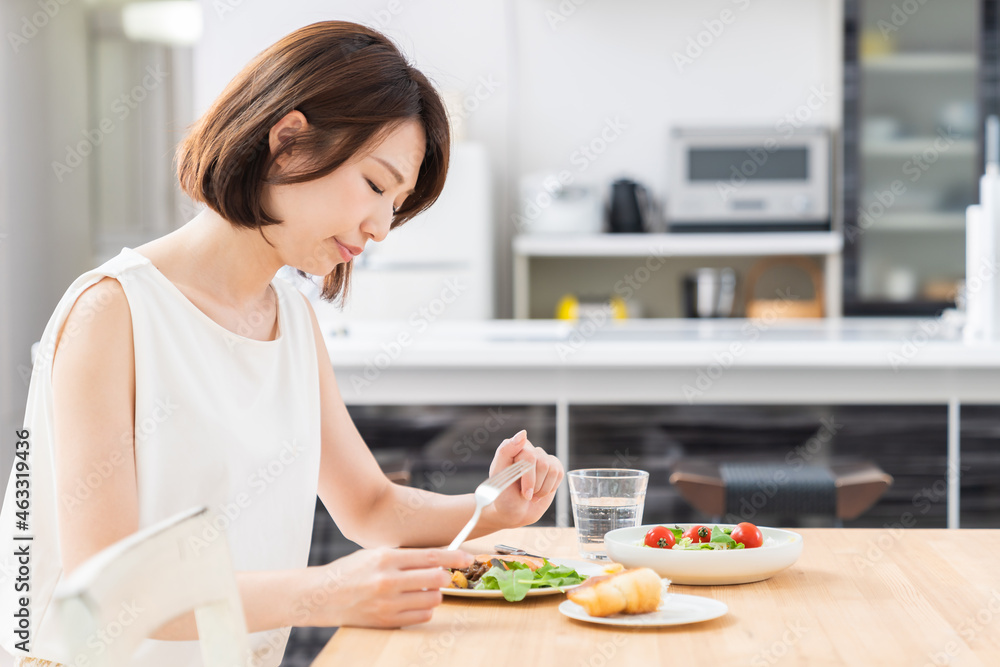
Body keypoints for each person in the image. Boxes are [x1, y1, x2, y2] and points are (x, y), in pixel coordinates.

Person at [0, 21, 563, 667]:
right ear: (288, 142)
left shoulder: (290, 318)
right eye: (377, 186)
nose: (380, 227)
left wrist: (491, 506)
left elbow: (372, 506)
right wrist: (325, 592)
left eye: (397, 205)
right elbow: (107, 591)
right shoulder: (112, 311)